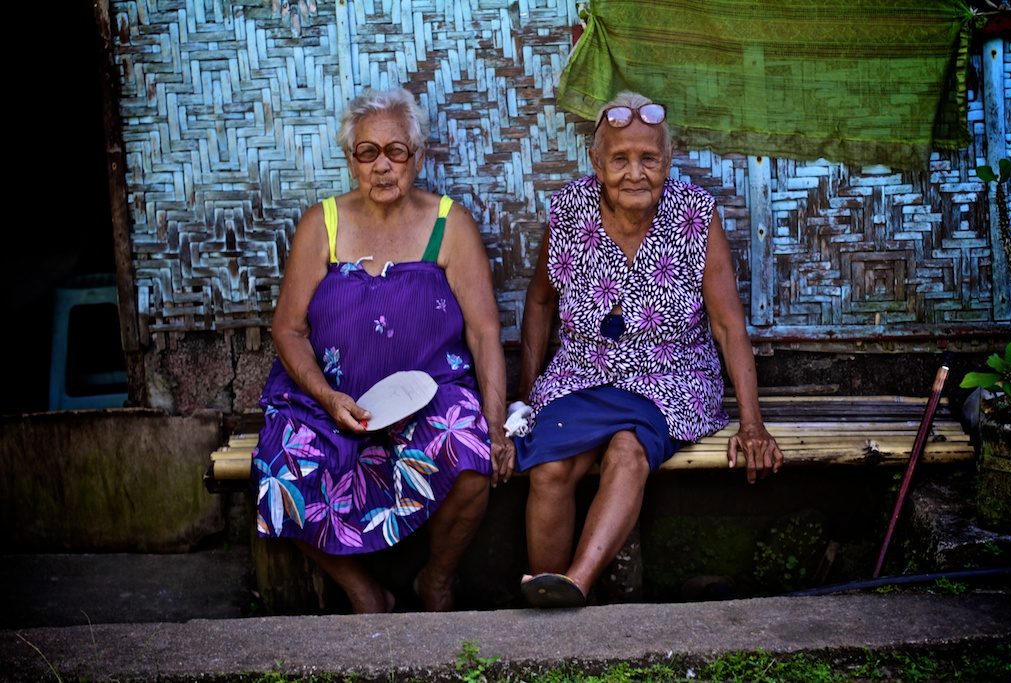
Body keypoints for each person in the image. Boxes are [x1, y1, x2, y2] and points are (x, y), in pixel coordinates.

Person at [250, 87, 515, 613]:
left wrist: (496, 423)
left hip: (430, 395)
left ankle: (436, 580)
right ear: (351, 160)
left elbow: (486, 332)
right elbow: (288, 329)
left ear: (417, 157)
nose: (382, 166)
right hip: (332, 403)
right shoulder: (321, 224)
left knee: (471, 457)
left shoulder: (448, 224)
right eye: (367, 152)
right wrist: (327, 397)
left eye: (396, 151)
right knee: (278, 472)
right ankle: (364, 591)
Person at [515, 91, 783, 608]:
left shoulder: (695, 215)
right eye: (619, 159)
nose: (634, 172)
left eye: (648, 158)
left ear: (668, 160)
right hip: (581, 372)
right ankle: (543, 590)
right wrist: (525, 400)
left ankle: (575, 584)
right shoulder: (569, 211)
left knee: (626, 451)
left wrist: (752, 422)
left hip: (669, 376)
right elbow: (540, 301)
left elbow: (728, 325)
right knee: (549, 467)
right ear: (597, 162)